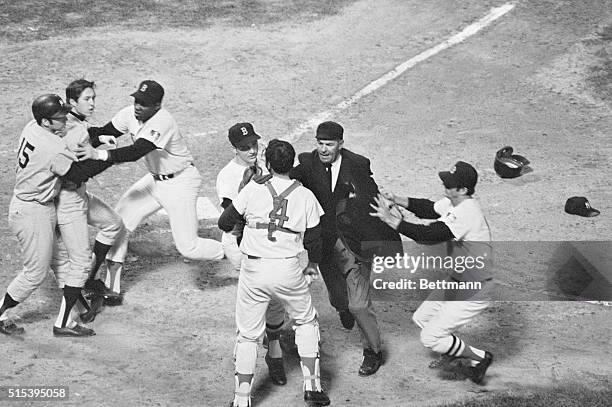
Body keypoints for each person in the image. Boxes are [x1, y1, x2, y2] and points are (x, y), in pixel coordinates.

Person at [76, 80, 224, 302]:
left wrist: (98, 155)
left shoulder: (163, 121)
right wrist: (76, 136)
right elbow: (104, 132)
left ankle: (236, 251)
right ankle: (112, 287)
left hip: (180, 183)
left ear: (157, 106)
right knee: (119, 222)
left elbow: (138, 151)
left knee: (189, 248)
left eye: (144, 104)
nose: (138, 106)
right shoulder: (129, 114)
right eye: (136, 101)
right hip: (155, 181)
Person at [218, 139, 330, 407]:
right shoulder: (305, 196)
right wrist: (312, 265)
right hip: (288, 269)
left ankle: (241, 399)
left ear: (267, 163)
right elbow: (316, 239)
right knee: (305, 321)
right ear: (292, 165)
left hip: (254, 270)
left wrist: (248, 216)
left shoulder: (253, 189)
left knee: (247, 334)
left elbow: (224, 222)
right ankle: (312, 387)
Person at [290, 121, 402, 376]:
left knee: (359, 306)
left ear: (341, 143)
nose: (323, 149)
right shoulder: (308, 164)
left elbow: (376, 204)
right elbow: (286, 180)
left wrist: (388, 242)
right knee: (339, 299)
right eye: (320, 143)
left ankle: (372, 352)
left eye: (329, 144)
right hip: (326, 247)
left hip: (356, 247)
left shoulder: (358, 165)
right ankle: (342, 308)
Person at [370, 161, 494, 384]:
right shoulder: (454, 201)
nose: (446, 184)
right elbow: (429, 208)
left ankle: (480, 358)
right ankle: (453, 352)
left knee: (430, 338)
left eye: (451, 183)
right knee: (422, 318)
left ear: (463, 190)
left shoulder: (467, 212)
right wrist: (396, 198)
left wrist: (393, 221)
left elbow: (428, 235)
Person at [0, 94, 114, 337]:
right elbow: (78, 175)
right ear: (45, 122)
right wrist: (107, 157)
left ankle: (76, 309)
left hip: (37, 206)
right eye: (60, 118)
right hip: (32, 212)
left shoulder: (31, 127)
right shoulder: (52, 148)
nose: (65, 120)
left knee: (60, 260)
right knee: (34, 273)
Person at [50, 79, 125, 324]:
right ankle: (71, 308)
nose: (92, 103)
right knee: (67, 259)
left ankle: (89, 278)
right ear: (72, 102)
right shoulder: (70, 129)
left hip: (79, 194)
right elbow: (80, 171)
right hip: (67, 199)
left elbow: (86, 133)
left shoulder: (73, 121)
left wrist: (100, 138)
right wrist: (108, 157)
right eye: (87, 99)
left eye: (93, 98)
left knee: (113, 222)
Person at [215, 122, 268, 272]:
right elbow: (231, 217)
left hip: (258, 237)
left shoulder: (262, 165)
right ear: (234, 149)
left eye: (254, 144)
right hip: (238, 241)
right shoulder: (227, 176)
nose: (252, 151)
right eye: (245, 148)